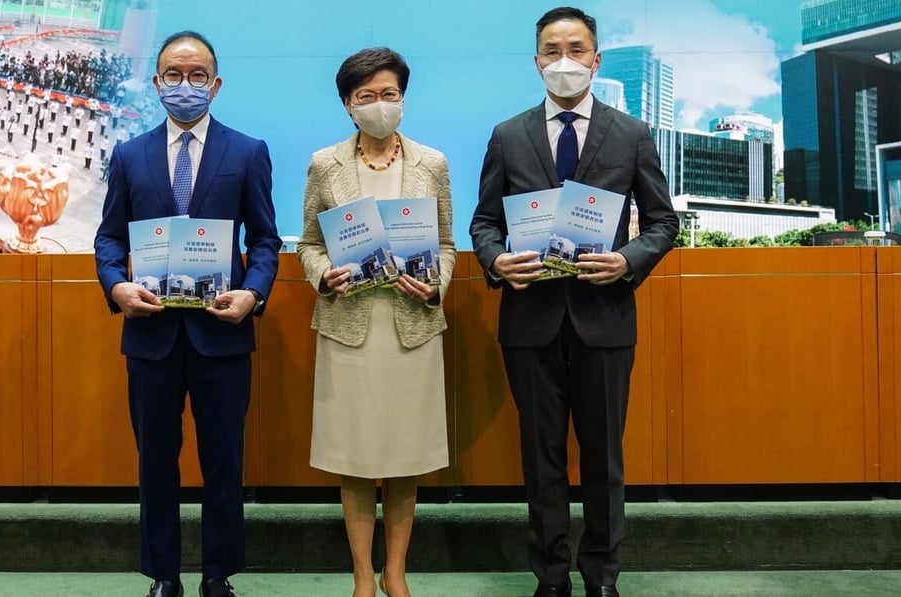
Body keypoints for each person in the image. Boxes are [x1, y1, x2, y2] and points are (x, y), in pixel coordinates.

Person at [468, 7, 679, 597]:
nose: (565, 61)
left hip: (605, 318)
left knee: (604, 459)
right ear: (537, 61)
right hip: (530, 320)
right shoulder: (508, 135)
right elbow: (484, 224)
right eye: (553, 51)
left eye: (576, 49)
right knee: (541, 460)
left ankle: (603, 576)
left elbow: (663, 223)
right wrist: (494, 260)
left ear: (596, 59)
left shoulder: (632, 133)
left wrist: (628, 260)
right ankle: (551, 576)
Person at [94, 30, 281, 597]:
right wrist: (116, 287)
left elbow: (267, 242)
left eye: (197, 75)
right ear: (156, 84)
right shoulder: (128, 156)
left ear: (215, 84)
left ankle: (218, 574)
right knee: (156, 463)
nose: (185, 85)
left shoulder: (248, 152)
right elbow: (107, 240)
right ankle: (163, 575)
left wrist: (254, 293)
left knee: (224, 461)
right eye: (173, 75)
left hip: (221, 336)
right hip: (149, 336)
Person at [297, 47, 455, 597]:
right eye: (366, 96)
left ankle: (396, 571)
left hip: (412, 327)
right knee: (357, 456)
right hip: (349, 326)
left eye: (389, 94)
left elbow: (447, 245)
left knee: (406, 455)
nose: (379, 105)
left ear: (403, 100)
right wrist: (323, 275)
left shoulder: (432, 163)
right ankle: (363, 573)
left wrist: (437, 284)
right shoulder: (324, 164)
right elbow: (310, 245)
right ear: (348, 104)